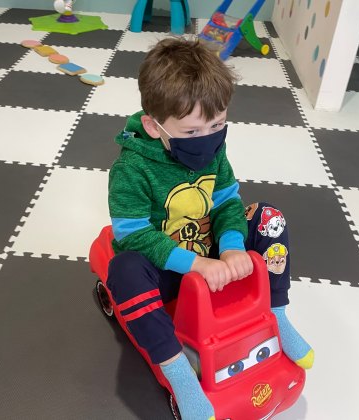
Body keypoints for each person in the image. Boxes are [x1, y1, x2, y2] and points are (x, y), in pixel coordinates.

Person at [107, 37, 314, 420]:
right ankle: (179, 373)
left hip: (214, 250)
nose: (207, 139)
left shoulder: (214, 148)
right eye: (190, 132)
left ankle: (278, 314)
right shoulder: (131, 169)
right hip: (168, 266)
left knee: (269, 217)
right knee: (124, 269)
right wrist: (195, 265)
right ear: (154, 127)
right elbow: (133, 234)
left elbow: (225, 201)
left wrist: (233, 245)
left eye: (217, 125)